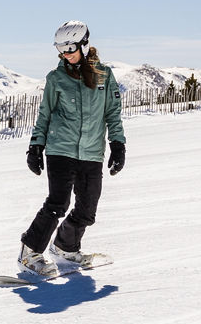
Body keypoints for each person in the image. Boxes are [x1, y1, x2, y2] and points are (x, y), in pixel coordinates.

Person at [18, 21, 126, 277]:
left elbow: (112, 113)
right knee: (58, 204)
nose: (65, 54)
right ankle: (29, 253)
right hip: (60, 149)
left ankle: (65, 247)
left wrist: (118, 144)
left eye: (69, 48)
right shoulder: (56, 78)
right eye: (60, 49)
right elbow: (45, 114)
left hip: (91, 151)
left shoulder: (104, 75)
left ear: (84, 45)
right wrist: (36, 145)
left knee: (87, 209)